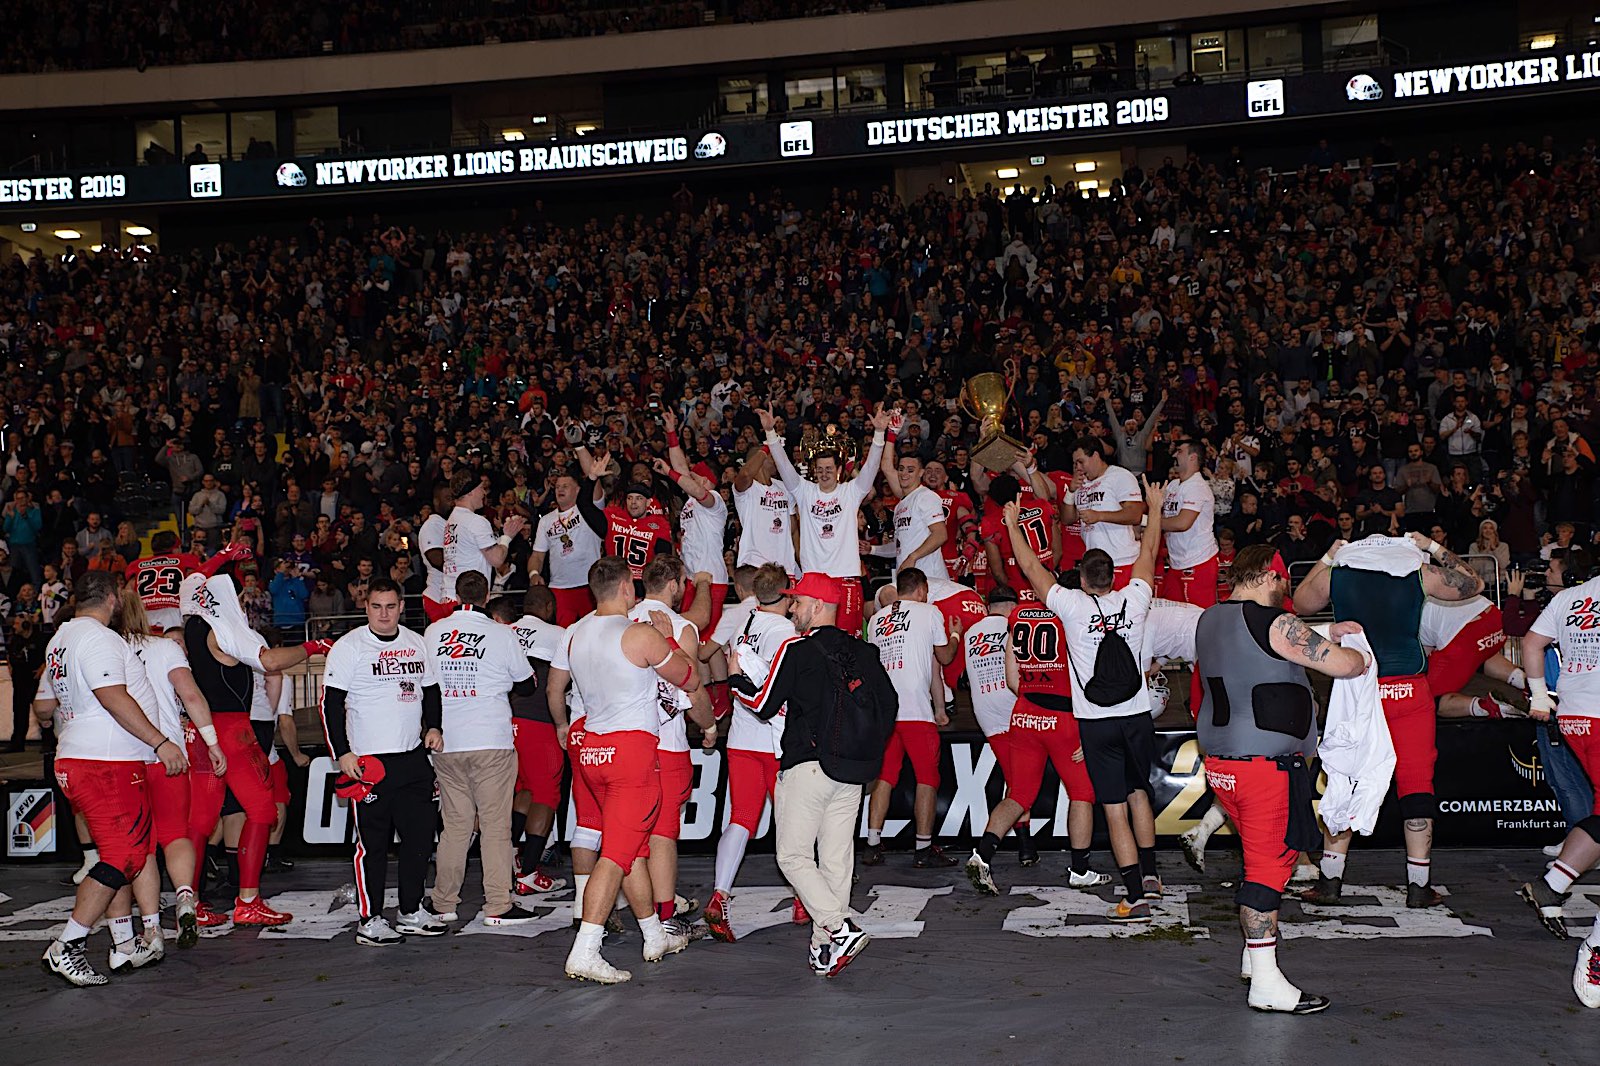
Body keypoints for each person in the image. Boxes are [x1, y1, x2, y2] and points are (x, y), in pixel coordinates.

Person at [1195, 544, 1371, 1014]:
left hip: (1225, 764)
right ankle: (1268, 986)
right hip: (1262, 766)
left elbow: (1263, 647)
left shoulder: (1209, 618)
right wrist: (1359, 655)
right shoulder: (1271, 621)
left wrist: (1325, 630)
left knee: (1268, 858)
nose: (1284, 593)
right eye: (1282, 584)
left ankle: (1255, 962)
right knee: (1269, 871)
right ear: (1267, 577)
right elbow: (1342, 664)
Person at [1293, 531, 1485, 907]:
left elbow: (1301, 602)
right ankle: (1418, 885)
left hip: (1357, 688)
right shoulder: (1419, 571)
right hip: (1408, 691)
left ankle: (1330, 882)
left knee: (1345, 778)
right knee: (1416, 784)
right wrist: (1431, 547)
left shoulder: (1338, 574)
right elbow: (1474, 583)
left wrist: (1330, 556)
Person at [1010, 475, 1166, 921]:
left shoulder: (1073, 607)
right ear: (1115, 576)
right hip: (1136, 714)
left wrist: (1012, 526)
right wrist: (1153, 509)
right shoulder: (1135, 598)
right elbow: (1149, 553)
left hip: (1096, 722)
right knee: (1140, 795)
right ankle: (1152, 877)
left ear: (1080, 578)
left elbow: (1032, 570)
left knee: (1113, 806)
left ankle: (1135, 893)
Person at [730, 572, 896, 977]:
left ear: (818, 606)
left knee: (792, 855)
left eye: (798, 602)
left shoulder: (796, 649)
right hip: (854, 769)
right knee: (836, 859)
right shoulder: (865, 651)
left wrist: (735, 675)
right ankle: (827, 947)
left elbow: (763, 703)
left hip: (807, 765)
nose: (792, 608)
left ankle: (838, 929)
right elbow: (890, 704)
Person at [549, 556, 706, 984]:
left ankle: (653, 933)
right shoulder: (638, 635)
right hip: (631, 754)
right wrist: (667, 638)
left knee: (632, 847)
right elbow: (689, 680)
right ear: (624, 589)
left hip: (590, 750)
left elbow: (556, 687)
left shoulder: (574, 634)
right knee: (616, 855)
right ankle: (586, 948)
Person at [37, 572, 186, 987]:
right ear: (112, 597)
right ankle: (68, 944)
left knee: (123, 853)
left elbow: (50, 702)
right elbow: (112, 695)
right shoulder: (98, 638)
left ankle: (123, 943)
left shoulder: (62, 638)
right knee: (124, 855)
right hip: (103, 761)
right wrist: (160, 742)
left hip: (89, 756)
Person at [182, 565, 325, 928]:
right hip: (231, 731)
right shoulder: (225, 627)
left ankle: (191, 902)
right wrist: (316, 646)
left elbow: (191, 580)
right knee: (262, 811)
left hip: (200, 730)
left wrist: (223, 556)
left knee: (201, 820)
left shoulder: (192, 625)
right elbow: (271, 662)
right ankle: (248, 899)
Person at [966, 569, 1110, 894]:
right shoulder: (1077, 621)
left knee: (1019, 794)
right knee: (1082, 794)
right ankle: (1080, 869)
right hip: (1064, 717)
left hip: (1025, 713)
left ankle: (982, 854)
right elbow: (1092, 682)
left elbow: (1012, 679)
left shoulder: (1019, 616)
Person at [320, 578, 445, 946]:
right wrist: (342, 752)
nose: (384, 614)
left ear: (402, 607)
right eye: (377, 606)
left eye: (391, 606)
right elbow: (330, 705)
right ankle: (370, 920)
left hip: (412, 760)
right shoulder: (349, 647)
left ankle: (409, 910)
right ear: (366, 606)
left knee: (420, 838)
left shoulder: (416, 643)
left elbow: (432, 690)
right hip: (369, 764)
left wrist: (434, 726)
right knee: (372, 846)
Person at [424, 571, 539, 927]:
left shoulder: (432, 633)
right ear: (488, 595)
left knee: (456, 827)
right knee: (494, 826)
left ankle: (443, 902)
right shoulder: (501, 634)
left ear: (456, 593)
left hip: (446, 741)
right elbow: (527, 684)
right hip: (491, 740)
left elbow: (426, 684)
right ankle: (498, 904)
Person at [115, 589, 228, 952]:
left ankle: (150, 926)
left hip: (124, 757)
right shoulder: (165, 648)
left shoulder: (103, 648)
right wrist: (211, 743)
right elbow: (192, 697)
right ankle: (184, 896)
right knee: (176, 834)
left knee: (140, 845)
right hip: (170, 758)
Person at [1519, 548, 1600, 1007]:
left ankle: (1552, 883)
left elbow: (1531, 644)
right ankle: (1594, 944)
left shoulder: (1570, 597)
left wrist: (1538, 695)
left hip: (1573, 717)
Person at [705, 563, 801, 942]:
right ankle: (802, 899)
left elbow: (709, 653)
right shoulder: (787, 632)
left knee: (741, 819)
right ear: (787, 594)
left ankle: (720, 893)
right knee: (794, 820)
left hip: (742, 737)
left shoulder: (741, 617)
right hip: (776, 739)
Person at [628, 555, 717, 932]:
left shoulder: (620, 618)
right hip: (666, 741)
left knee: (629, 834)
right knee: (663, 833)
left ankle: (638, 916)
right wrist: (710, 726)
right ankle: (663, 920)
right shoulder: (680, 627)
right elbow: (692, 686)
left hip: (623, 738)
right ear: (675, 584)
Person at [760, 404, 892, 633]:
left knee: (847, 642)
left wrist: (879, 433)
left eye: (829, 468)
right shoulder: (804, 490)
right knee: (812, 641)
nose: (824, 473)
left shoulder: (851, 491)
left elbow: (871, 468)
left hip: (846, 579)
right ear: (813, 470)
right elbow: (783, 465)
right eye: (820, 469)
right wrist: (771, 433)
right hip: (813, 579)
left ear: (839, 469)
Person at [863, 568, 958, 867]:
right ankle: (923, 848)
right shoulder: (929, 612)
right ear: (920, 589)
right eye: (926, 591)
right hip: (916, 711)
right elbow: (944, 658)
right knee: (927, 778)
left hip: (884, 713)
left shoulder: (876, 620)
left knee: (884, 777)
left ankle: (872, 843)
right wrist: (955, 633)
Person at [490, 587, 570, 895]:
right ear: (549, 607)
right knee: (547, 795)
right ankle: (528, 873)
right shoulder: (559, 634)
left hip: (502, 722)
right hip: (539, 722)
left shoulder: (504, 631)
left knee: (523, 788)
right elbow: (562, 684)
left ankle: (511, 856)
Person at [961, 584, 1039, 866]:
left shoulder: (971, 633)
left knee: (1016, 778)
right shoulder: (1014, 627)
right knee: (1021, 784)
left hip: (986, 713)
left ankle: (1026, 846)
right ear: (1011, 606)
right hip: (1014, 708)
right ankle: (1005, 848)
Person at [660, 410, 731, 635]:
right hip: (692, 578)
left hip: (711, 580)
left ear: (707, 479)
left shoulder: (715, 501)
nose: (690, 477)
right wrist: (672, 432)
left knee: (703, 639)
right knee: (690, 636)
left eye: (696, 475)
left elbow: (694, 486)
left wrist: (670, 473)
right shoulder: (692, 501)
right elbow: (682, 468)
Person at [1059, 436, 1146, 590]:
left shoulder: (1119, 476)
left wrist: (1099, 516)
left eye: (1081, 461)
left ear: (1096, 456)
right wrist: (1071, 492)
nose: (1078, 468)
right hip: (1094, 564)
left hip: (1121, 561)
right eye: (1075, 463)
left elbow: (1135, 514)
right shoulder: (1081, 484)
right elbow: (1067, 519)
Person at [1424, 594, 1524, 719]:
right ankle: (1525, 682)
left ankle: (1486, 707)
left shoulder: (1405, 613)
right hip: (1493, 618)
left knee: (1424, 698)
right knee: (1479, 653)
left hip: (1467, 637)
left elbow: (1420, 659)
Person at [441, 471, 527, 615]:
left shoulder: (452, 519)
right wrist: (507, 537)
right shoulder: (476, 521)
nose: (484, 493)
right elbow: (497, 559)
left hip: (449, 596)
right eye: (482, 488)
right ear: (470, 492)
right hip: (467, 600)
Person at [528, 472, 605, 625]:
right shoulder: (546, 520)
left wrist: (593, 474)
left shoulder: (589, 511)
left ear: (577, 490)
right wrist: (534, 573)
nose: (559, 490)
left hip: (590, 586)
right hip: (559, 589)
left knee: (593, 633)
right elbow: (537, 555)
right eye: (557, 487)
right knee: (562, 636)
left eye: (565, 486)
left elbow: (597, 491)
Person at [1160, 439, 1220, 607]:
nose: (1174, 455)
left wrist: (1147, 522)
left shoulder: (1197, 486)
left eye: (1179, 451)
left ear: (1193, 457)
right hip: (1176, 562)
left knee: (1198, 618)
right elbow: (1162, 515)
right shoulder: (1173, 485)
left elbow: (1182, 523)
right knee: (1171, 615)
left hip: (1198, 562)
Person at [731, 445, 797, 576]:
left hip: (784, 567)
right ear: (760, 460)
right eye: (773, 457)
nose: (776, 460)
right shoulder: (746, 489)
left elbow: (793, 530)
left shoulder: (783, 487)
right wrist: (769, 445)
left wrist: (800, 561)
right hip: (755, 566)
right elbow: (745, 474)